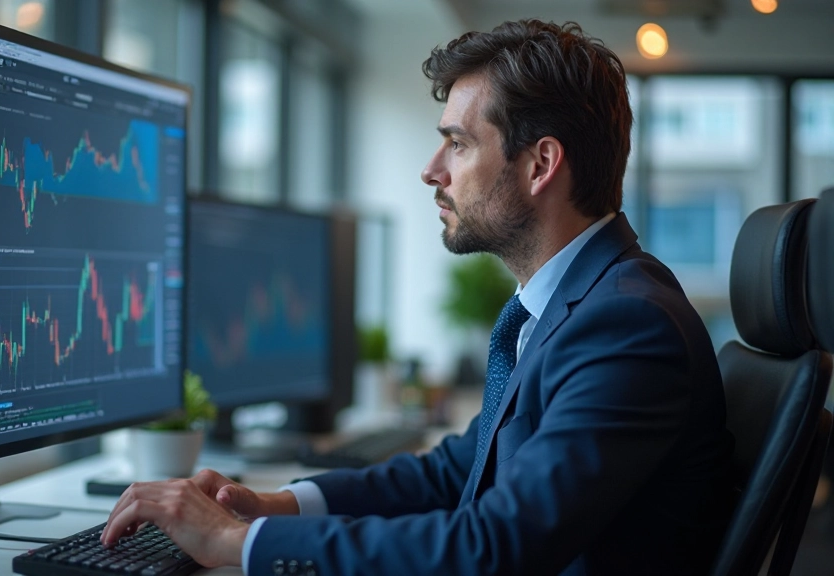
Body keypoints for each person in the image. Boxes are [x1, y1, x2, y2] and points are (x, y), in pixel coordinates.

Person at [101, 19, 734, 575]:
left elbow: (495, 547)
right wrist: (275, 505)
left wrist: (239, 544)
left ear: (541, 166)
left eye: (458, 143)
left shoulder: (625, 324)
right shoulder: (584, 302)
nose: (432, 169)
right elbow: (464, 467)